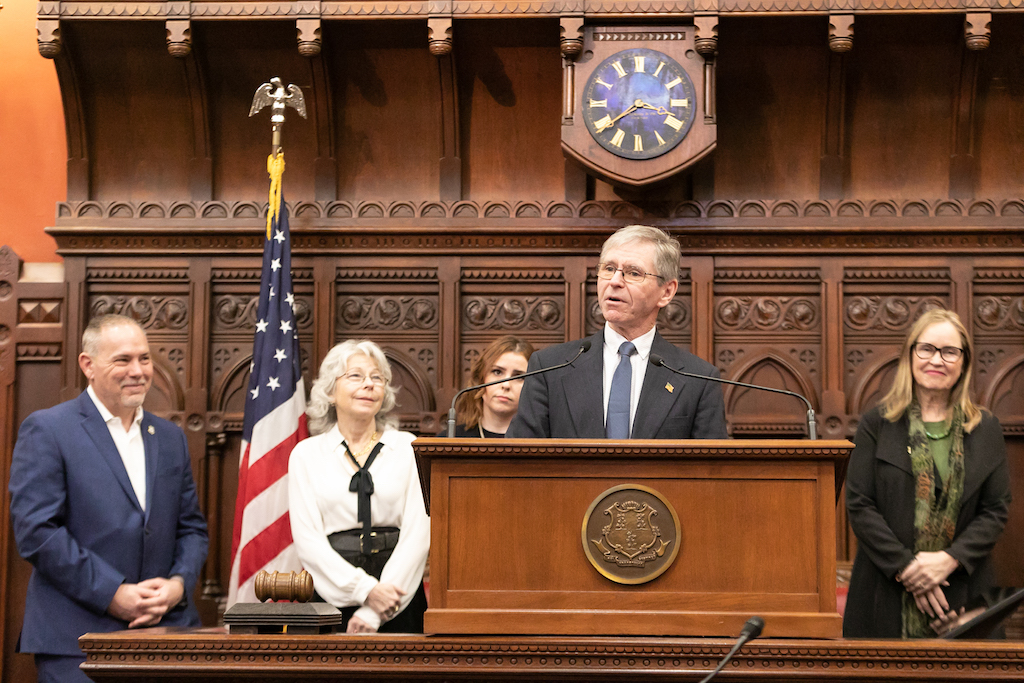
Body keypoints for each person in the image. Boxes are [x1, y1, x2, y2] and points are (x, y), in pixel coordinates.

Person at [9, 314, 208, 682]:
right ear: (88, 365)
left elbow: (192, 528)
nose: (138, 370)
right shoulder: (49, 430)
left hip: (167, 635)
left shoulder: (169, 437)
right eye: (123, 360)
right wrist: (112, 592)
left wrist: (177, 585)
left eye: (144, 358)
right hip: (78, 641)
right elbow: (37, 531)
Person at [844, 308, 1011, 638]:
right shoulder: (877, 423)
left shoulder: (986, 428)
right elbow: (860, 505)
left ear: (963, 362)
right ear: (910, 355)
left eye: (950, 351)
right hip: (884, 594)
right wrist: (908, 569)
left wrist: (949, 560)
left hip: (963, 594)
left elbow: (996, 509)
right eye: (927, 349)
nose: (937, 360)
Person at [507, 225, 727, 439]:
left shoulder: (698, 378)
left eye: (633, 273)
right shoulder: (549, 367)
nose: (614, 282)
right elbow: (519, 461)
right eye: (609, 268)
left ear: (666, 292)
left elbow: (711, 470)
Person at [288, 339, 429, 634]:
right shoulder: (307, 454)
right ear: (329, 391)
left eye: (377, 378)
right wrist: (364, 590)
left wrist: (375, 610)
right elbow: (308, 542)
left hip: (398, 596)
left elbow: (419, 534)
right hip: (330, 594)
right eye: (356, 376)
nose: (369, 385)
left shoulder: (408, 447)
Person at [446, 335, 535, 437]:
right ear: (480, 379)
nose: (506, 385)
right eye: (497, 372)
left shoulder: (543, 444)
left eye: (519, 377)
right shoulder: (449, 440)